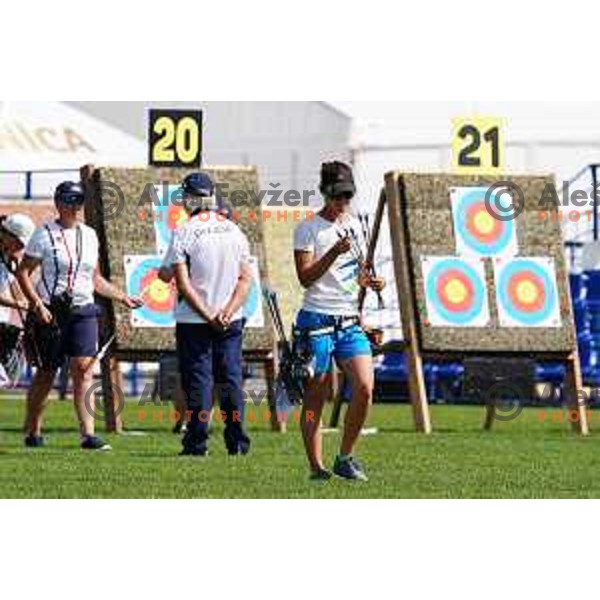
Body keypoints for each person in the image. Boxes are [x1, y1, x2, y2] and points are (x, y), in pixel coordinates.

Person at [17, 181, 142, 451]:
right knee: (47, 372)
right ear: (58, 204)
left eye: (77, 202)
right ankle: (33, 429)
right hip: (51, 312)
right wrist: (37, 304)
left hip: (84, 310)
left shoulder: (90, 235)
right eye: (68, 202)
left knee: (84, 370)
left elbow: (94, 278)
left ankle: (88, 435)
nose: (73, 208)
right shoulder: (44, 234)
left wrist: (122, 296)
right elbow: (24, 272)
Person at [293, 161, 386, 482]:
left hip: (348, 321)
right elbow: (305, 278)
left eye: (346, 197)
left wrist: (370, 283)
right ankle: (316, 466)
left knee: (364, 387)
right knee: (316, 396)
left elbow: (353, 276)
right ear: (324, 193)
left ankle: (345, 456)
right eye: (337, 196)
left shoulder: (355, 225)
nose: (342, 203)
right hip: (315, 319)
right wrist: (332, 251)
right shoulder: (307, 228)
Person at [169, 172, 252, 457]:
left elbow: (182, 284)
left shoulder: (184, 231)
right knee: (230, 380)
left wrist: (208, 315)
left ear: (187, 198)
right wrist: (227, 312)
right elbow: (245, 280)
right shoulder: (234, 230)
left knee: (199, 383)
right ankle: (238, 443)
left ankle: (197, 443)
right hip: (231, 319)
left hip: (195, 321)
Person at [0, 214, 36, 385]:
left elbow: (16, 288)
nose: (20, 247)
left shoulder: (8, 258)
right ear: (6, 234)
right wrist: (20, 304)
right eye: (19, 243)